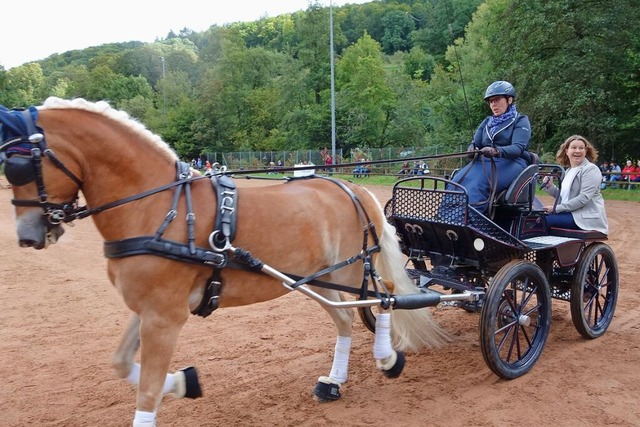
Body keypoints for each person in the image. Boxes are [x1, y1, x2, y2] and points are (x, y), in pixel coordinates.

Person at [449, 80, 532, 214]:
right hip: (484, 162)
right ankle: (447, 217)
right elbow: (476, 143)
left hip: (513, 162)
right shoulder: (487, 122)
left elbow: (518, 148)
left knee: (478, 184)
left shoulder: (520, 120)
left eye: (497, 99)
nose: (493, 104)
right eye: (491, 101)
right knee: (456, 181)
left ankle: (470, 219)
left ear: (509, 100)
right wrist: (472, 150)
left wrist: (497, 151)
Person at [540, 135, 608, 235]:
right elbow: (564, 196)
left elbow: (584, 198)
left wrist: (555, 209)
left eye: (581, 148)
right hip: (569, 213)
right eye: (574, 147)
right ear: (567, 151)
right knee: (533, 219)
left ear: (586, 151)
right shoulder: (568, 171)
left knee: (541, 222)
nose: (577, 151)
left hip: (584, 217)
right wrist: (550, 186)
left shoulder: (590, 169)